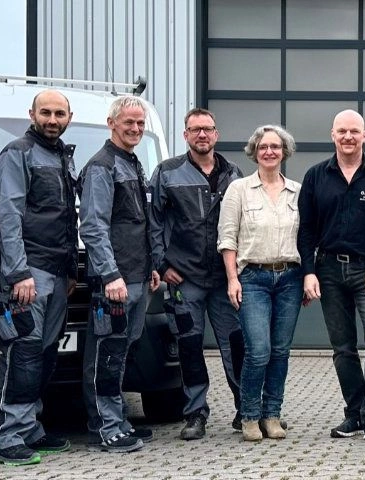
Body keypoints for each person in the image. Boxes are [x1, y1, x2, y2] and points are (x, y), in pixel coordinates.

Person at [298, 110, 365, 444]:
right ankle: (355, 413)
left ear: (364, 135)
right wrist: (308, 271)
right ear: (333, 134)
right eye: (342, 131)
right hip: (329, 270)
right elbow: (306, 229)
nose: (348, 137)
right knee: (342, 348)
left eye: (354, 131)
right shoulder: (316, 176)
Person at [0, 89, 79, 466]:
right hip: (31, 270)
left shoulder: (62, 156)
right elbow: (9, 216)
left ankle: (30, 427)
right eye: (46, 113)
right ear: (32, 114)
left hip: (57, 272)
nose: (52, 120)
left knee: (44, 353)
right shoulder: (17, 153)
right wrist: (18, 272)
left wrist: (71, 270)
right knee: (23, 352)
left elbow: (66, 218)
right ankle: (7, 435)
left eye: (59, 114)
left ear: (69, 118)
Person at [148, 108, 245, 440]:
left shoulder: (233, 174)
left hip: (223, 278)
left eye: (207, 129)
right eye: (195, 129)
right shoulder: (167, 173)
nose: (202, 135)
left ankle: (245, 409)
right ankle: (195, 413)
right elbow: (153, 222)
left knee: (236, 345)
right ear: (185, 135)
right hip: (184, 278)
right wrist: (162, 264)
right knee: (189, 347)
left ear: (216, 134)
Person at [79, 95, 161, 453]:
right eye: (129, 122)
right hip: (115, 280)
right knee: (106, 352)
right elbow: (93, 227)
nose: (136, 128)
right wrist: (109, 274)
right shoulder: (102, 166)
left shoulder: (131, 162)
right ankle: (105, 426)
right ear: (111, 123)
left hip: (137, 275)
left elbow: (137, 223)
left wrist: (151, 267)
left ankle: (118, 419)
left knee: (122, 349)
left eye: (140, 123)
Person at [218, 125, 303, 442]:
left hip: (290, 279)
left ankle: (272, 415)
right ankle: (249, 416)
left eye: (275, 147)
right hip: (252, 278)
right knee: (258, 350)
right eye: (264, 146)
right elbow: (227, 238)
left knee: (280, 351)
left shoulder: (297, 191)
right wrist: (232, 279)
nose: (269, 151)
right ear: (254, 151)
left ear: (284, 152)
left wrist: (308, 277)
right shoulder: (239, 190)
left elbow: (306, 238)